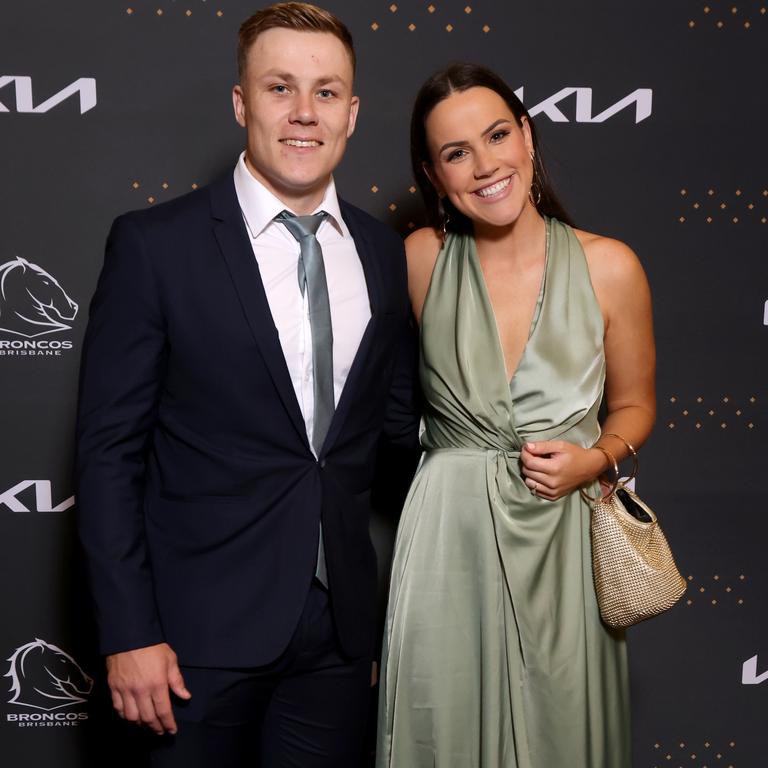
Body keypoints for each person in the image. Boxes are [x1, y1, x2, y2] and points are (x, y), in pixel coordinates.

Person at [75, 4, 419, 766]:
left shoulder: (383, 252)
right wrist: (130, 632)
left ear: (353, 114)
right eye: (279, 88)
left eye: (326, 93)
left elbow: (398, 428)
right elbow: (108, 457)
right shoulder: (155, 246)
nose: (304, 113)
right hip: (192, 638)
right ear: (241, 103)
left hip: (337, 640)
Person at [376, 63, 655, 767]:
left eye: (497, 134)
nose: (485, 164)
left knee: (562, 736)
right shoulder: (418, 261)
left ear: (528, 138)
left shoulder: (609, 265)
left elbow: (635, 406)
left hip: (562, 539)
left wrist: (594, 459)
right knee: (440, 736)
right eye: (456, 152)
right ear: (433, 175)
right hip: (447, 538)